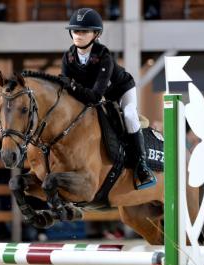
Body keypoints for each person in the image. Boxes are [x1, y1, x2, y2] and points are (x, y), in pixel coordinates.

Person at [60, 8, 154, 187]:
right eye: (75, 31)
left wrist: (72, 85)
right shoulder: (68, 57)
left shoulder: (104, 56)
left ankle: (142, 166)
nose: (78, 35)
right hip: (95, 93)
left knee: (129, 116)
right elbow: (66, 91)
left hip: (121, 89)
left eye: (84, 31)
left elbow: (94, 96)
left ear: (96, 34)